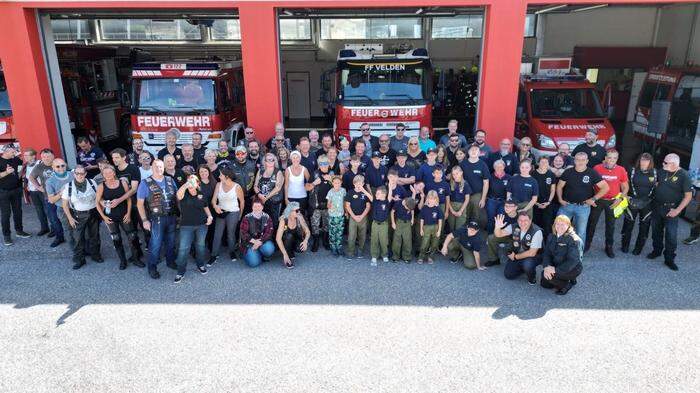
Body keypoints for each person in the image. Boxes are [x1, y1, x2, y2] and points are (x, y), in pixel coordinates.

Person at [647, 153, 693, 271]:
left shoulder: (684, 175)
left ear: (674, 164)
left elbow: (688, 196)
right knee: (656, 231)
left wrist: (678, 210)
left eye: (665, 162)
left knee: (671, 235)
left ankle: (669, 259)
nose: (663, 164)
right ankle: (657, 251)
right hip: (657, 206)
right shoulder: (662, 171)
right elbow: (656, 183)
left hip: (672, 209)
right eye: (663, 162)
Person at [136, 159, 178, 279]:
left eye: (160, 167)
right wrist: (144, 220)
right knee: (155, 244)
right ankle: (152, 267)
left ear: (163, 167)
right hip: (156, 219)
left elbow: (177, 198)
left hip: (171, 216)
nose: (158, 169)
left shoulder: (170, 180)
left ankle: (170, 262)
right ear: (152, 168)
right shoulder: (145, 183)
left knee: (171, 242)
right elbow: (140, 204)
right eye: (156, 167)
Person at [95, 165, 143, 270]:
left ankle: (136, 259)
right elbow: (97, 202)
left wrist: (128, 213)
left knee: (132, 237)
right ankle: (122, 261)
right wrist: (103, 217)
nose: (108, 175)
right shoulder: (101, 186)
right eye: (105, 173)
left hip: (124, 215)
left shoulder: (123, 183)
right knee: (116, 239)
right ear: (103, 175)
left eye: (109, 172)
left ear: (114, 173)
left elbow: (129, 199)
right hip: (110, 218)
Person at [556, 152, 609, 247]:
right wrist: (560, 199)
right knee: (560, 230)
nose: (580, 162)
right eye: (578, 160)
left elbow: (605, 187)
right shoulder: (568, 172)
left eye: (583, 160)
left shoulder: (592, 173)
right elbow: (559, 186)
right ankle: (560, 251)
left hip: (583, 207)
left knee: (580, 232)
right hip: (566, 206)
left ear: (587, 161)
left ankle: (578, 253)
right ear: (574, 161)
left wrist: (593, 199)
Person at [585, 149, 628, 257]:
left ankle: (609, 246)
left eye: (614, 158)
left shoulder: (621, 170)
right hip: (598, 200)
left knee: (611, 225)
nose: (611, 160)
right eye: (609, 157)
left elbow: (625, 187)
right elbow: (590, 185)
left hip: (613, 201)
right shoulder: (597, 168)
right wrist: (592, 198)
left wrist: (620, 198)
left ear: (617, 159)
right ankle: (587, 244)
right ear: (605, 158)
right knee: (591, 223)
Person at [173, 174, 213, 283]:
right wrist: (186, 185)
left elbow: (205, 207)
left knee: (200, 246)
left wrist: (210, 216)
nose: (191, 182)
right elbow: (178, 195)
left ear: (198, 183)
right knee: (183, 248)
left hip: (202, 225)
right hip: (186, 225)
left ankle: (200, 265)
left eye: (193, 181)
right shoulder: (184, 193)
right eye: (188, 180)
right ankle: (180, 271)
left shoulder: (201, 194)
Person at [62, 165, 102, 269]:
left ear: (85, 173)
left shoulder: (92, 182)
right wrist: (70, 218)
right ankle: (79, 260)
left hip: (93, 212)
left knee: (94, 236)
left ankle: (95, 255)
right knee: (78, 238)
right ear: (74, 174)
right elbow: (65, 205)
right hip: (78, 215)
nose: (80, 175)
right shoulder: (69, 186)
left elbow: (98, 198)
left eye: (82, 173)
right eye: (77, 173)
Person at [621, 153, 656, 255]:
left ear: (650, 162)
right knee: (628, 225)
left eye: (647, 160)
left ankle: (638, 248)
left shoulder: (655, 172)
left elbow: (661, 186)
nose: (644, 162)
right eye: (642, 160)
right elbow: (623, 183)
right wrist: (625, 195)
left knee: (644, 227)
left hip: (648, 203)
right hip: (632, 201)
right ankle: (625, 245)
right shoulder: (631, 170)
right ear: (639, 160)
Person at [541, 215, 583, 295]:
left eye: (563, 224)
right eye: (557, 224)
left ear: (568, 226)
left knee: (548, 276)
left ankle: (566, 285)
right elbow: (547, 253)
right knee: (544, 284)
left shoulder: (574, 240)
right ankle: (567, 279)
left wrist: (555, 270)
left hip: (572, 268)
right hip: (556, 264)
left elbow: (573, 261)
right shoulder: (551, 236)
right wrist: (547, 266)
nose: (559, 226)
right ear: (554, 225)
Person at [498, 212, 543, 284]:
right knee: (509, 275)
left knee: (528, 264)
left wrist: (515, 257)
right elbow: (499, 234)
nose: (522, 223)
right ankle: (523, 268)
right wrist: (497, 227)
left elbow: (532, 253)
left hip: (534, 256)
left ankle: (532, 277)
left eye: (525, 220)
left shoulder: (537, 231)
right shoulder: (514, 226)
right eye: (520, 220)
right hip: (518, 253)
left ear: (530, 220)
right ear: (517, 220)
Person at [210, 167, 244, 263]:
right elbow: (213, 200)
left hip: (233, 212)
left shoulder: (237, 187)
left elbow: (242, 202)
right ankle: (213, 255)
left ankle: (232, 251)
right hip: (221, 212)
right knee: (217, 234)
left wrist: (240, 215)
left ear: (227, 177)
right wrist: (215, 206)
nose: (219, 176)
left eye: (221, 175)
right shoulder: (218, 185)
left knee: (231, 233)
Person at [0, 144, 31, 245]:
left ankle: (19, 231)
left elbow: (21, 169)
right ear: (5, 152)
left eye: (15, 151)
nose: (14, 153)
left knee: (18, 211)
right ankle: (7, 236)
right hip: (3, 192)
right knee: (6, 214)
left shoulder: (16, 159)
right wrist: (6, 172)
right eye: (12, 152)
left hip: (16, 190)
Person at [239, 198, 275, 267]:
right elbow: (243, 233)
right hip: (249, 243)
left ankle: (260, 253)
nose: (257, 208)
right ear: (252, 207)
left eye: (259, 206)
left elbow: (269, 233)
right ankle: (253, 254)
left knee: (269, 249)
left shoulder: (267, 217)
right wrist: (255, 242)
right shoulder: (246, 217)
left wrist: (259, 242)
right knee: (254, 263)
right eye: (255, 206)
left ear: (262, 207)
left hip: (262, 241)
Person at [460, 144, 490, 228]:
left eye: (476, 150)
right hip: (464, 194)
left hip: (477, 194)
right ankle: (464, 232)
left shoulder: (483, 165)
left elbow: (486, 183)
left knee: (477, 216)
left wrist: (483, 199)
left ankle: (476, 233)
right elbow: (458, 179)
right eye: (471, 150)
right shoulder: (463, 164)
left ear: (479, 152)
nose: (473, 151)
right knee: (464, 214)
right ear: (468, 152)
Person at [45, 159, 73, 248]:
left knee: (82, 230)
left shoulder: (73, 175)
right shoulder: (50, 181)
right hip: (62, 209)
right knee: (69, 230)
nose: (61, 168)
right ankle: (76, 252)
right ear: (53, 167)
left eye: (62, 165)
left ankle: (86, 249)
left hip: (77, 207)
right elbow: (52, 200)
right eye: (57, 166)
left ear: (66, 165)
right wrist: (61, 193)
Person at [21, 148, 50, 236]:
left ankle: (55, 229)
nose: (24, 157)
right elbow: (25, 178)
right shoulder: (25, 166)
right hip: (33, 192)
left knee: (48, 210)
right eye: (24, 155)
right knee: (39, 210)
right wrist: (27, 187)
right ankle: (44, 228)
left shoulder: (40, 163)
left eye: (27, 155)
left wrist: (43, 187)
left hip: (42, 191)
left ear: (33, 156)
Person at [308, 154, 334, 251]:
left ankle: (325, 241)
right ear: (319, 164)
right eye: (322, 163)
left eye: (326, 163)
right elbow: (307, 187)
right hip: (316, 205)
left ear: (329, 164)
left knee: (326, 224)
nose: (324, 165)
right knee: (315, 224)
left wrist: (331, 180)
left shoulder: (332, 174)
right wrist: (314, 183)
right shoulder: (315, 174)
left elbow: (338, 188)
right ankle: (316, 242)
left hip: (328, 205)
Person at [275, 202, 311, 269]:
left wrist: (305, 241)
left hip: (295, 239)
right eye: (296, 211)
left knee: (300, 248)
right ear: (290, 211)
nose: (299, 212)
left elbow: (308, 231)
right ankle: (287, 254)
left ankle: (291, 250)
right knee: (289, 236)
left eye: (299, 210)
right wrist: (285, 255)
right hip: (285, 240)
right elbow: (278, 239)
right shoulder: (284, 220)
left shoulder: (299, 217)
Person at [484, 200, 520, 266]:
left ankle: (517, 259)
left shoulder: (520, 217)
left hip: (518, 239)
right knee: (491, 238)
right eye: (506, 206)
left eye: (510, 206)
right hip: (505, 235)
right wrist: (497, 227)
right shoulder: (502, 216)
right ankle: (494, 259)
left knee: (513, 252)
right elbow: (497, 233)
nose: (507, 208)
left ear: (515, 207)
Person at [345, 174, 372, 259]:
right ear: (354, 183)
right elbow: (347, 205)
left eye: (360, 183)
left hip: (363, 217)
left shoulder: (365, 193)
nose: (358, 185)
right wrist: (354, 216)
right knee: (352, 236)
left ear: (363, 184)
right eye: (357, 183)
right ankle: (350, 251)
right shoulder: (350, 192)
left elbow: (368, 206)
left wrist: (362, 216)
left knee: (362, 235)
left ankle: (360, 250)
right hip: (353, 217)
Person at [254, 153, 284, 227]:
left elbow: (278, 188)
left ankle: (273, 238)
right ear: (265, 161)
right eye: (268, 160)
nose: (270, 161)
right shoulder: (260, 171)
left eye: (272, 160)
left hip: (274, 202)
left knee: (274, 222)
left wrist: (266, 198)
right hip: (261, 202)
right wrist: (259, 194)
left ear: (275, 161)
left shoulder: (278, 172)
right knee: (261, 221)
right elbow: (255, 185)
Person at [532, 156, 557, 239]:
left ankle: (545, 245)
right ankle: (535, 246)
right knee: (535, 225)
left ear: (548, 164)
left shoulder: (551, 175)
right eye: (542, 162)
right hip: (535, 204)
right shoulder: (533, 174)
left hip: (547, 204)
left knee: (546, 225)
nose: (544, 164)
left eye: (546, 162)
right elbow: (530, 190)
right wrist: (536, 203)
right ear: (538, 163)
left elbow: (553, 190)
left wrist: (548, 202)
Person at [418, 190, 444, 264]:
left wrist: (439, 230)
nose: (431, 200)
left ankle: (431, 257)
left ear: (436, 199)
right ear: (427, 199)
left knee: (434, 243)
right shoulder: (424, 208)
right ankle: (421, 257)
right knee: (424, 243)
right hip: (426, 227)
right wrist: (421, 229)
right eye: (430, 198)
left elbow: (440, 220)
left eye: (433, 199)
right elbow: (422, 219)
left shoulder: (438, 208)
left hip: (435, 227)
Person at [485, 159, 511, 233]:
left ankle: (498, 236)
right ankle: (489, 236)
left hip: (503, 202)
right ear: (494, 168)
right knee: (491, 219)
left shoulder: (509, 177)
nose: (499, 168)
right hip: (491, 201)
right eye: (497, 167)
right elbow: (486, 188)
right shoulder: (490, 177)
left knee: (501, 220)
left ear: (504, 167)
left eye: (501, 166)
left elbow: (511, 191)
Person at [391, 195, 417, 263]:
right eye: (407, 208)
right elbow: (392, 212)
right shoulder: (398, 203)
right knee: (397, 240)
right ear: (405, 203)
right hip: (399, 222)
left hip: (407, 223)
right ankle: (395, 256)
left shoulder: (411, 203)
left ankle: (407, 256)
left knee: (407, 240)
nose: (408, 210)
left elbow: (412, 211)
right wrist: (393, 223)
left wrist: (412, 219)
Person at [369, 186, 391, 265]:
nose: (376, 195)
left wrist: (390, 185)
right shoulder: (375, 201)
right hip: (375, 223)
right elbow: (369, 196)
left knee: (383, 240)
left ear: (384, 194)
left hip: (384, 224)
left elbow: (390, 193)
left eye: (378, 193)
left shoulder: (386, 202)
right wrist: (361, 188)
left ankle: (384, 255)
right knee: (374, 239)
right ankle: (374, 255)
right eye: (376, 193)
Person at [285, 150, 311, 216]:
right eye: (294, 158)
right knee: (291, 216)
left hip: (302, 197)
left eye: (297, 157)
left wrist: (307, 186)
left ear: (300, 158)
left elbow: (309, 182)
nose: (295, 159)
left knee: (301, 216)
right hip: (291, 197)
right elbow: (286, 185)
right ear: (291, 159)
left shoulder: (304, 169)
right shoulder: (288, 170)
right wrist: (286, 198)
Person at [326, 176, 347, 257]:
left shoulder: (343, 190)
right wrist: (329, 205)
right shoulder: (330, 192)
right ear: (332, 183)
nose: (337, 184)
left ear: (341, 183)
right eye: (335, 183)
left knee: (339, 231)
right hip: (332, 215)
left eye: (338, 183)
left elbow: (345, 201)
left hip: (340, 214)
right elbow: (328, 203)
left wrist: (346, 211)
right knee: (332, 232)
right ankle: (333, 247)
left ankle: (339, 247)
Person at [446, 165, 471, 233]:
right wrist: (451, 210)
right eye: (453, 174)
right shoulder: (450, 184)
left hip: (462, 206)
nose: (455, 175)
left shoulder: (465, 184)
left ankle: (457, 242)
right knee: (451, 226)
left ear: (461, 172)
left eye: (457, 173)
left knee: (459, 226)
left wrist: (460, 211)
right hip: (451, 206)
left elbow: (467, 199)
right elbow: (447, 199)